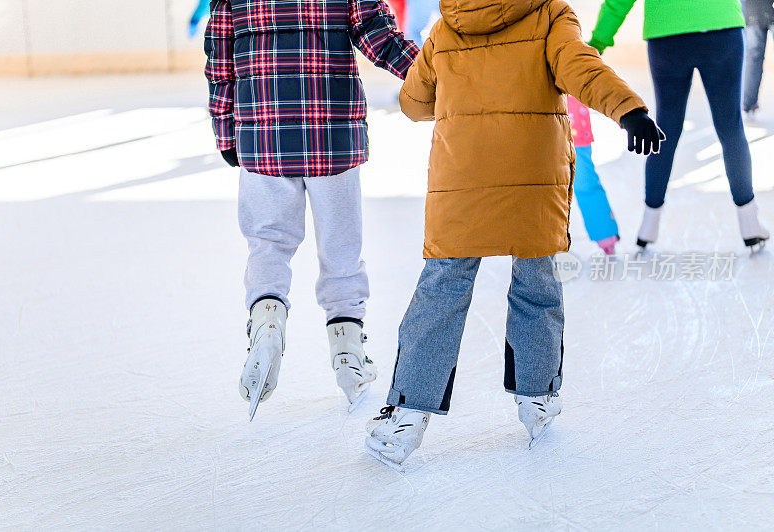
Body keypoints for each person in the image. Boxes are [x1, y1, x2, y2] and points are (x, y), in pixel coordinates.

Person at [364, 0, 663, 467]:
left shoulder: (447, 26)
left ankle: (406, 413)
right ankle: (537, 397)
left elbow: (415, 103)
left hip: (461, 176)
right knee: (537, 284)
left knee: (442, 290)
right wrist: (629, 110)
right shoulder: (550, 15)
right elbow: (582, 68)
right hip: (534, 174)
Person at [204, 0, 419, 421]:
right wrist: (432, 72)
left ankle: (267, 321)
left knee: (267, 244)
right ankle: (347, 351)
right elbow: (378, 35)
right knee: (341, 252)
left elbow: (220, 61)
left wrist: (226, 132)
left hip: (263, 132)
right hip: (331, 134)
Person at [589, 0, 770, 251]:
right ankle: (750, 223)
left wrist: (598, 42)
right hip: (721, 26)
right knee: (731, 128)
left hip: (667, 34)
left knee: (666, 128)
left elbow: (618, 2)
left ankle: (648, 225)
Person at [568, 96, 621, 255]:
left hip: (573, 124)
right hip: (538, 123)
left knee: (584, 182)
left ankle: (605, 234)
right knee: (541, 188)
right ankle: (542, 244)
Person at [742, 0, 774, 116]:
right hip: (755, 8)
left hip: (754, 8)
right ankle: (749, 102)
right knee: (753, 57)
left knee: (753, 57)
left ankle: (748, 103)